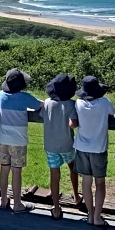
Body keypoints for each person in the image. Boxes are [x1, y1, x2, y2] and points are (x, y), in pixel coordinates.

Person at [70, 76, 114, 229]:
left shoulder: (78, 103)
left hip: (82, 147)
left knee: (86, 183)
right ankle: (97, 217)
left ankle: (89, 214)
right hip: (99, 148)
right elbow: (112, 113)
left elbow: (73, 123)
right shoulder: (104, 103)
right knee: (100, 183)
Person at [0, 68, 42, 213]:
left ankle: (3, 200)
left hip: (3, 139)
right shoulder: (25, 97)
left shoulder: (2, 95)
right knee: (16, 172)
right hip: (18, 141)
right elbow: (39, 105)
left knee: (4, 170)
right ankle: (17, 204)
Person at [40, 73, 79, 220]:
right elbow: (72, 124)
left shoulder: (48, 103)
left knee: (54, 175)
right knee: (73, 169)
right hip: (67, 144)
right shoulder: (71, 104)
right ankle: (76, 196)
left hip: (50, 145)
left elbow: (43, 114)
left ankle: (56, 207)